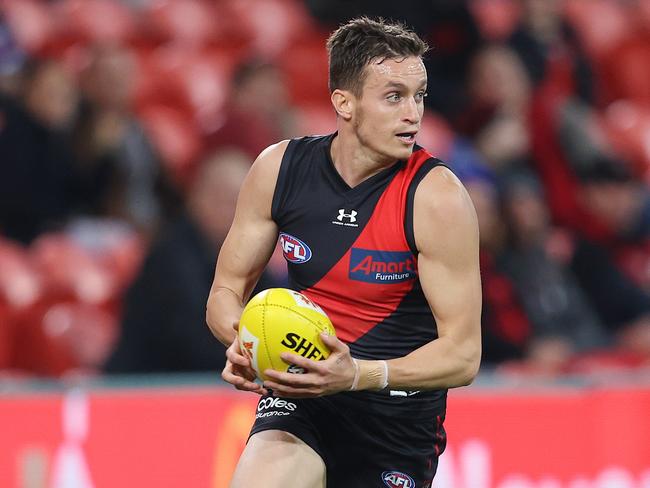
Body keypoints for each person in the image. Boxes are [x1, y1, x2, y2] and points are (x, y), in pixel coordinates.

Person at [205, 17, 481, 488]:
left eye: (420, 95)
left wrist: (357, 374)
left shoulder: (437, 198)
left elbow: (463, 355)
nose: (413, 113)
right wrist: (244, 341)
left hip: (395, 420)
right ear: (344, 103)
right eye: (394, 96)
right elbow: (225, 291)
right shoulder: (279, 170)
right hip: (302, 395)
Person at [105, 149, 276, 374]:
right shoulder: (170, 260)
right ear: (201, 198)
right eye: (234, 201)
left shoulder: (245, 253)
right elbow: (196, 345)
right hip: (149, 390)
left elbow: (270, 307)